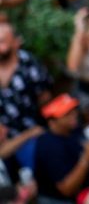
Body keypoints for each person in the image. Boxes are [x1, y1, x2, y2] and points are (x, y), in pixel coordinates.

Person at [0, 22, 53, 168]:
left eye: (3, 40)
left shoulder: (29, 63)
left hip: (35, 133)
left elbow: (45, 97)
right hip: (6, 140)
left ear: (15, 42)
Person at [33, 94, 89, 204]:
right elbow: (66, 189)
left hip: (88, 192)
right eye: (66, 114)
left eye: (74, 110)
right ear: (52, 122)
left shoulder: (73, 129)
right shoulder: (48, 146)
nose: (74, 115)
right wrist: (87, 158)